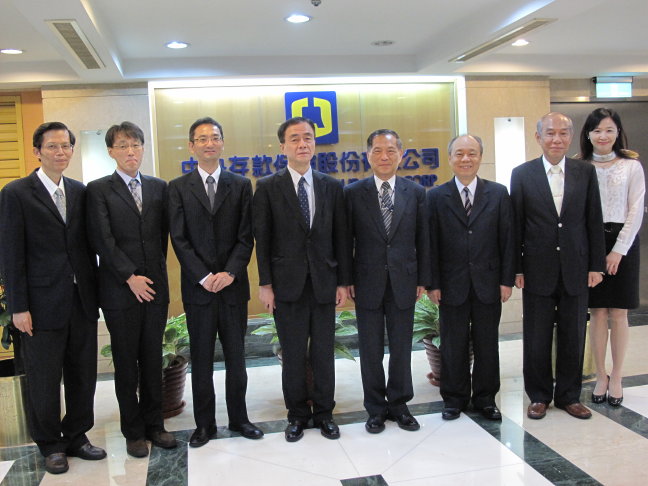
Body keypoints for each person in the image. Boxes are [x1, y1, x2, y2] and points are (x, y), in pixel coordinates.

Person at [0, 122, 106, 474]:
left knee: (82, 375)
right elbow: (11, 254)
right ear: (37, 151)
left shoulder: (80, 191)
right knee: (44, 378)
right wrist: (18, 307)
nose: (60, 152)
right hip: (40, 304)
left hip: (81, 301)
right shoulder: (16, 193)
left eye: (66, 146)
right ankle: (50, 444)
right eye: (53, 146)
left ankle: (77, 435)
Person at [252, 117, 350, 442]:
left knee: (323, 353)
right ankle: (296, 415)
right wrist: (265, 284)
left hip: (324, 283)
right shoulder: (267, 187)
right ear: (283, 147)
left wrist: (341, 282)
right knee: (293, 355)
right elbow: (262, 240)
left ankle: (324, 413)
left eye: (307, 138)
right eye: (294, 139)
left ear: (314, 144)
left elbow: (341, 239)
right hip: (285, 287)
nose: (302, 144)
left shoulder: (332, 186)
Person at [168, 117, 263, 448]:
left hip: (233, 289)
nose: (209, 143)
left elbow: (246, 235)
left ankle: (240, 419)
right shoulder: (178, 188)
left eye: (215, 138)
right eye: (202, 138)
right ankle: (204, 425)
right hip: (199, 291)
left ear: (222, 143)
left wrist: (231, 272)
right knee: (203, 361)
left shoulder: (240, 184)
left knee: (237, 359)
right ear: (191, 146)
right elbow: (179, 239)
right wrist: (205, 276)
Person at [86, 122, 177, 457]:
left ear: (143, 148)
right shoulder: (98, 190)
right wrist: (129, 276)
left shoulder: (158, 187)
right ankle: (133, 431)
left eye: (136, 145)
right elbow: (102, 240)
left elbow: (164, 237)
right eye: (123, 145)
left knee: (153, 360)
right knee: (126, 363)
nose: (130, 152)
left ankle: (156, 424)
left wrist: (150, 277)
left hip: (154, 289)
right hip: (118, 291)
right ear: (111, 151)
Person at [510, 112, 605, 420]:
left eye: (563, 133)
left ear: (571, 137)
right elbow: (516, 225)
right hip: (537, 268)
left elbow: (593, 220)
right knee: (536, 337)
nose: (557, 139)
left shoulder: (584, 172)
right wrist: (517, 268)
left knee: (573, 334)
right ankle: (538, 396)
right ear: (538, 138)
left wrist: (596, 265)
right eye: (550, 133)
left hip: (576, 267)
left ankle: (569, 395)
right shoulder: (522, 174)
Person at [344, 129, 430, 433]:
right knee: (370, 349)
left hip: (404, 281)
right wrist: (345, 279)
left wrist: (424, 278)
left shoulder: (416, 192)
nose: (384, 156)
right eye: (378, 151)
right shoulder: (352, 193)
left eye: (391, 151)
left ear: (401, 155)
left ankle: (400, 404)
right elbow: (345, 242)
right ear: (368, 155)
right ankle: (375, 409)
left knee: (401, 347)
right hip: (366, 281)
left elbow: (424, 240)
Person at [427, 135, 514, 421]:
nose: (466, 159)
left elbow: (507, 239)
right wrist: (434, 284)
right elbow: (431, 244)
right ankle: (454, 398)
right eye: (460, 154)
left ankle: (486, 399)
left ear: (480, 157)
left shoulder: (499, 193)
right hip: (451, 284)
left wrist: (506, 280)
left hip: (489, 282)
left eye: (472, 153)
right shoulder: (436, 196)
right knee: (453, 343)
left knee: (488, 343)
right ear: (450, 158)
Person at [578, 108, 645, 407]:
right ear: (588, 135)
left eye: (609, 130)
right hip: (589, 243)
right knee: (597, 313)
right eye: (597, 131)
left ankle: (617, 376)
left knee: (618, 313)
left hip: (624, 243)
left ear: (618, 132)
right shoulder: (580, 166)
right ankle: (600, 375)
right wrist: (594, 252)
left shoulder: (632, 166)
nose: (603, 136)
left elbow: (636, 210)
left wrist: (618, 250)